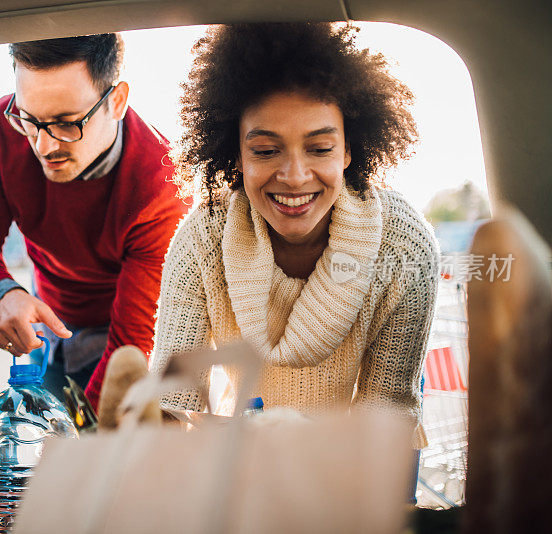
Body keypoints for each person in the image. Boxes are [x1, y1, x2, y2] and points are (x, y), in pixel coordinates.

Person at [150, 23, 439, 452]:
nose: (295, 177)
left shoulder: (403, 245)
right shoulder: (205, 235)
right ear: (237, 157)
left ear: (348, 151)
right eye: (266, 151)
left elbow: (387, 414)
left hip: (348, 471)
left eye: (320, 149)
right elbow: (170, 403)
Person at [0, 33, 188, 407]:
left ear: (117, 101)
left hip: (123, 331)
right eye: (30, 120)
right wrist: (2, 293)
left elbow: (132, 342)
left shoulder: (160, 185)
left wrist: (84, 433)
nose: (44, 147)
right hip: (47, 314)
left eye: (66, 123)